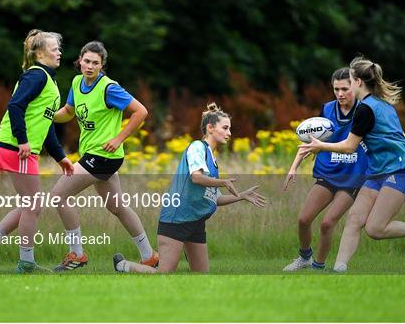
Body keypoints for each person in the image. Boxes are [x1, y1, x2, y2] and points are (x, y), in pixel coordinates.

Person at [298, 56, 405, 272]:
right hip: (377, 172)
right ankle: (338, 270)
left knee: (374, 229)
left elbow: (349, 147)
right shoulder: (380, 104)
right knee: (354, 219)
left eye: (350, 80)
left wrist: (320, 145)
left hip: (400, 171)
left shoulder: (365, 109)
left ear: (357, 82)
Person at [112, 103, 267, 273]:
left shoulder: (212, 159)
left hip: (196, 221)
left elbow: (214, 198)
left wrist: (242, 196)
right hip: (177, 218)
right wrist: (222, 182)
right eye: (225, 128)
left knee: (201, 277)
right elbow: (196, 177)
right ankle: (123, 265)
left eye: (230, 129)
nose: (229, 133)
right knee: (164, 274)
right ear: (210, 128)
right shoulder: (197, 148)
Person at [50, 41, 158, 271]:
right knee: (117, 207)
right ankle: (149, 256)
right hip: (95, 155)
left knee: (58, 196)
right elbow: (68, 112)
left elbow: (141, 112)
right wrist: (46, 115)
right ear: (80, 61)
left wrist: (119, 138)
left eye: (95, 63)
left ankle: (77, 254)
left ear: (102, 66)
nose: (89, 66)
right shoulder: (77, 82)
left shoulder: (109, 88)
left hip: (103, 156)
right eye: (86, 61)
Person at [0, 29, 74, 273]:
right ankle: (26, 262)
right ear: (40, 53)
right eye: (54, 49)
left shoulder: (48, 80)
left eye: (59, 49)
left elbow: (46, 125)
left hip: (18, 147)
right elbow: (15, 106)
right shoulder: (36, 76)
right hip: (16, 147)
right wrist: (22, 140)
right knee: (33, 205)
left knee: (29, 205)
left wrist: (60, 157)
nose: (59, 52)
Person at [281, 68, 367, 271]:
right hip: (328, 174)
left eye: (344, 88)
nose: (340, 93)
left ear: (355, 86)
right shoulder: (327, 110)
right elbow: (311, 141)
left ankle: (318, 267)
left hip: (352, 177)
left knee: (327, 223)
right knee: (303, 219)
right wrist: (293, 168)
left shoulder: (365, 111)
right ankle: (305, 258)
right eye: (336, 89)